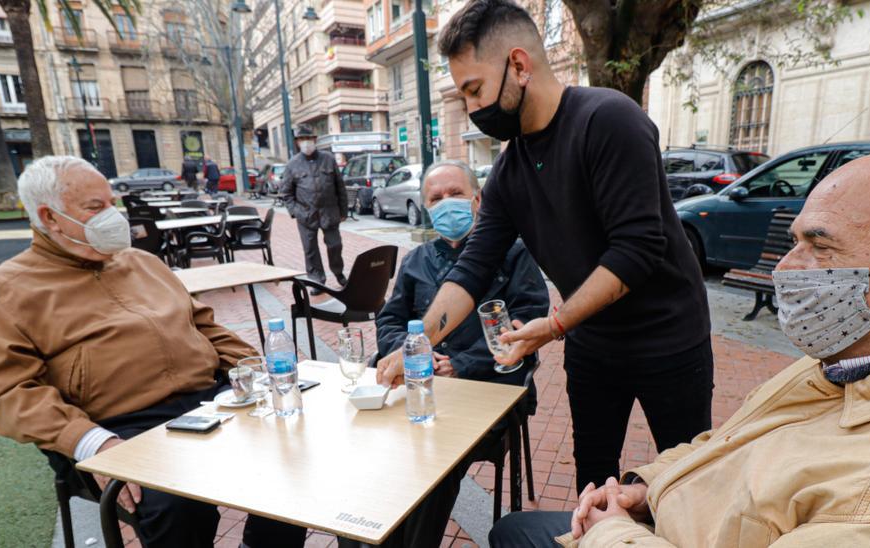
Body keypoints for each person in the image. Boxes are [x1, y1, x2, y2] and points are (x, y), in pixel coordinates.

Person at [488, 150, 870, 547]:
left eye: (820, 248)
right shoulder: (866, 357)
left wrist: (614, 532)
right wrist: (647, 487)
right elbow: (727, 447)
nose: (786, 269)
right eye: (794, 241)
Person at [376, 0, 713, 492]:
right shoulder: (510, 170)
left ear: (518, 64)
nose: (472, 109)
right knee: (593, 480)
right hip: (592, 344)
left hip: (668, 339)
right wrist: (418, 342)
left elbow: (637, 249)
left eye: (475, 90)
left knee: (687, 482)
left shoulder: (609, 119)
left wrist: (553, 325)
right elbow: (473, 267)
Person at [0, 156, 307, 548]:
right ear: (51, 217)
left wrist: (254, 371)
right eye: (95, 208)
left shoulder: (143, 263)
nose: (112, 216)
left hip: (208, 401)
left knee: (292, 452)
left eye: (112, 203)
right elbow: (10, 395)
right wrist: (93, 443)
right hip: (116, 425)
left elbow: (205, 326)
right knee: (177, 502)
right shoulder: (3, 292)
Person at [337, 160, 550, 548]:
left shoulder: (514, 255)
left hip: (487, 392)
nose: (446, 203)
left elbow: (528, 325)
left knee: (435, 463)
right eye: (436, 198)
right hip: (418, 390)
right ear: (425, 207)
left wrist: (462, 364)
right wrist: (411, 353)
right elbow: (390, 320)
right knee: (364, 451)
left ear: (477, 199)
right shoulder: (417, 260)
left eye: (456, 194)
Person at [283, 124, 348, 294]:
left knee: (335, 245)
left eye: (309, 139)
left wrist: (343, 211)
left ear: (315, 140)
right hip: (306, 214)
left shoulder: (328, 159)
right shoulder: (292, 165)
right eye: (302, 139)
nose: (306, 143)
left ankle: (339, 273)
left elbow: (339, 186)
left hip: (329, 212)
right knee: (310, 249)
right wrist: (296, 211)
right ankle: (317, 280)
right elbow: (286, 193)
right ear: (298, 142)